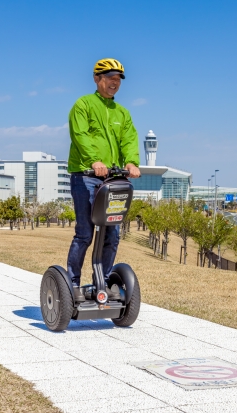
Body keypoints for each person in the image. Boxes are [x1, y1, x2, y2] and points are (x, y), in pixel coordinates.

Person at [66, 58, 141, 301]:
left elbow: (129, 140)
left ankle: (105, 281)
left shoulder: (122, 113)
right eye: (110, 78)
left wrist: (131, 162)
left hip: (112, 180)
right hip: (85, 176)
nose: (114, 83)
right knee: (85, 234)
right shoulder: (84, 105)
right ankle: (72, 284)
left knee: (112, 234)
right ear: (97, 79)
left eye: (118, 79)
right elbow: (80, 135)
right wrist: (94, 161)